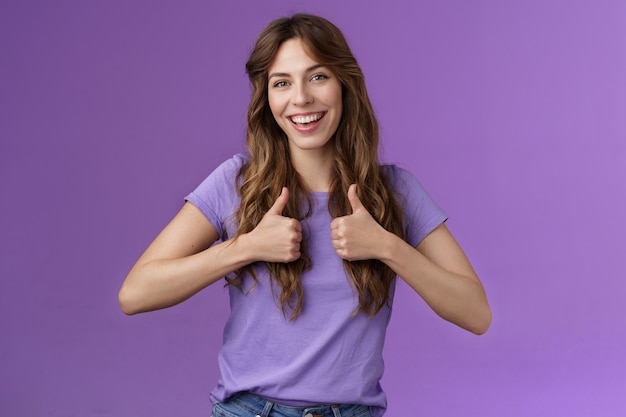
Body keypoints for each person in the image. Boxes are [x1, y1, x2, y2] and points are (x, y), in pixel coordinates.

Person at [118, 13, 491, 417]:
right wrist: (244, 247)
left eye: (317, 77)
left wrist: (387, 246)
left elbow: (476, 313)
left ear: (345, 84)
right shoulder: (236, 183)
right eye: (282, 83)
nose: (301, 98)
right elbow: (135, 293)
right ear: (267, 98)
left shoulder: (395, 191)